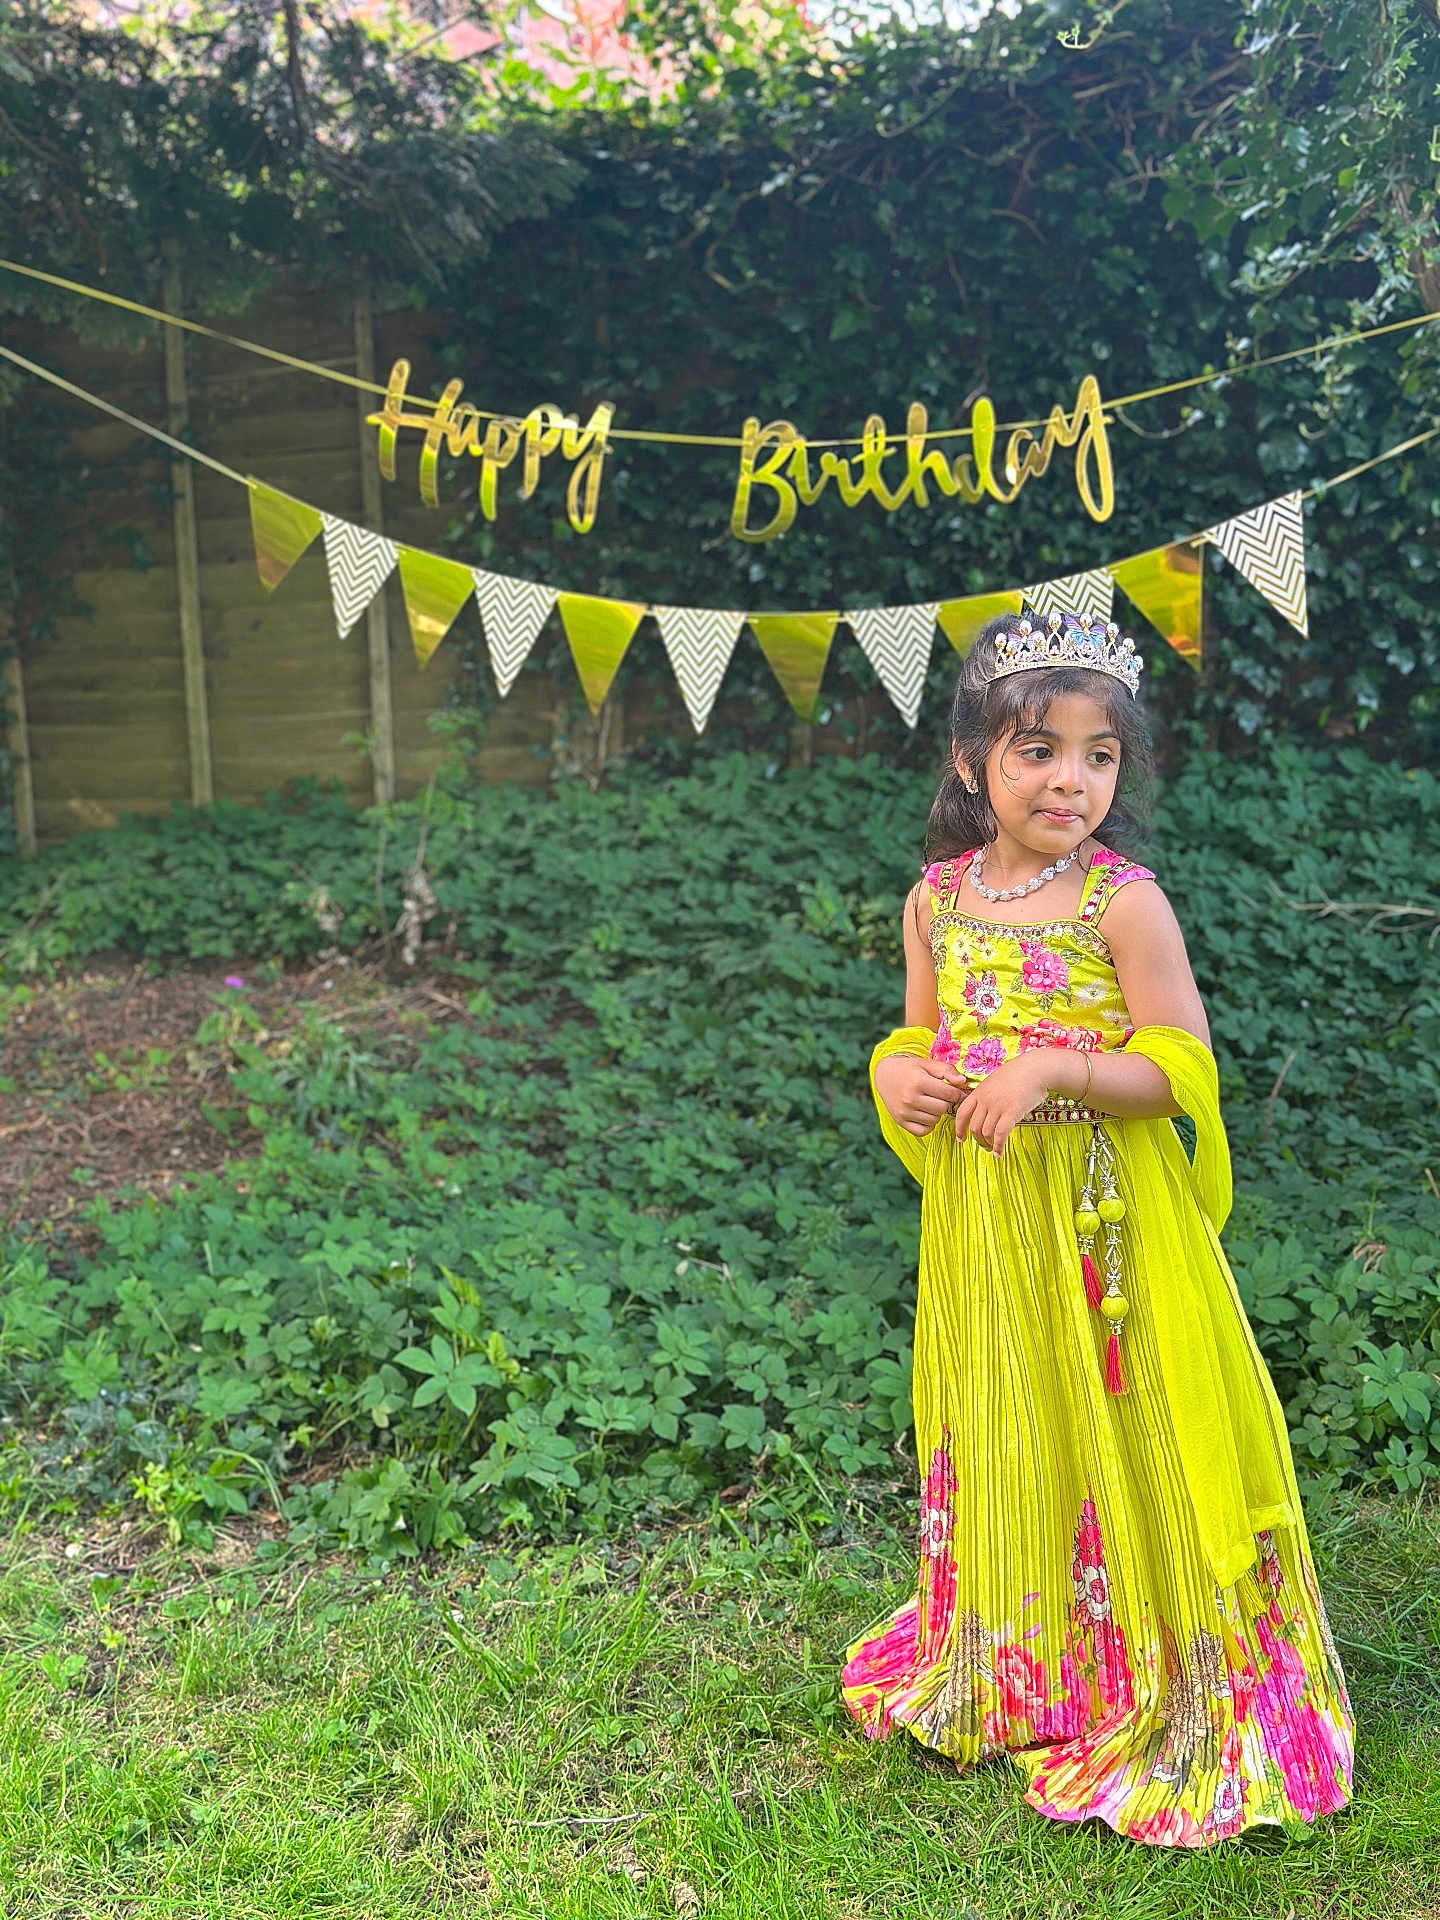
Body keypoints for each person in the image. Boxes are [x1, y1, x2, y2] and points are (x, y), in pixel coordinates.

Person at [840, 607, 1354, 1847]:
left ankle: (1171, 1663)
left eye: (1098, 755)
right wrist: (893, 1071)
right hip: (991, 1226)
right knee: (1017, 1412)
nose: (1070, 778)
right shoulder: (937, 901)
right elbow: (920, 1032)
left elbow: (1176, 1065)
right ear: (972, 763)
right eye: (1035, 749)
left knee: (1128, 1422)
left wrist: (1060, 1071)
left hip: (1107, 1227)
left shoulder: (1123, 903)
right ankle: (1034, 1656)